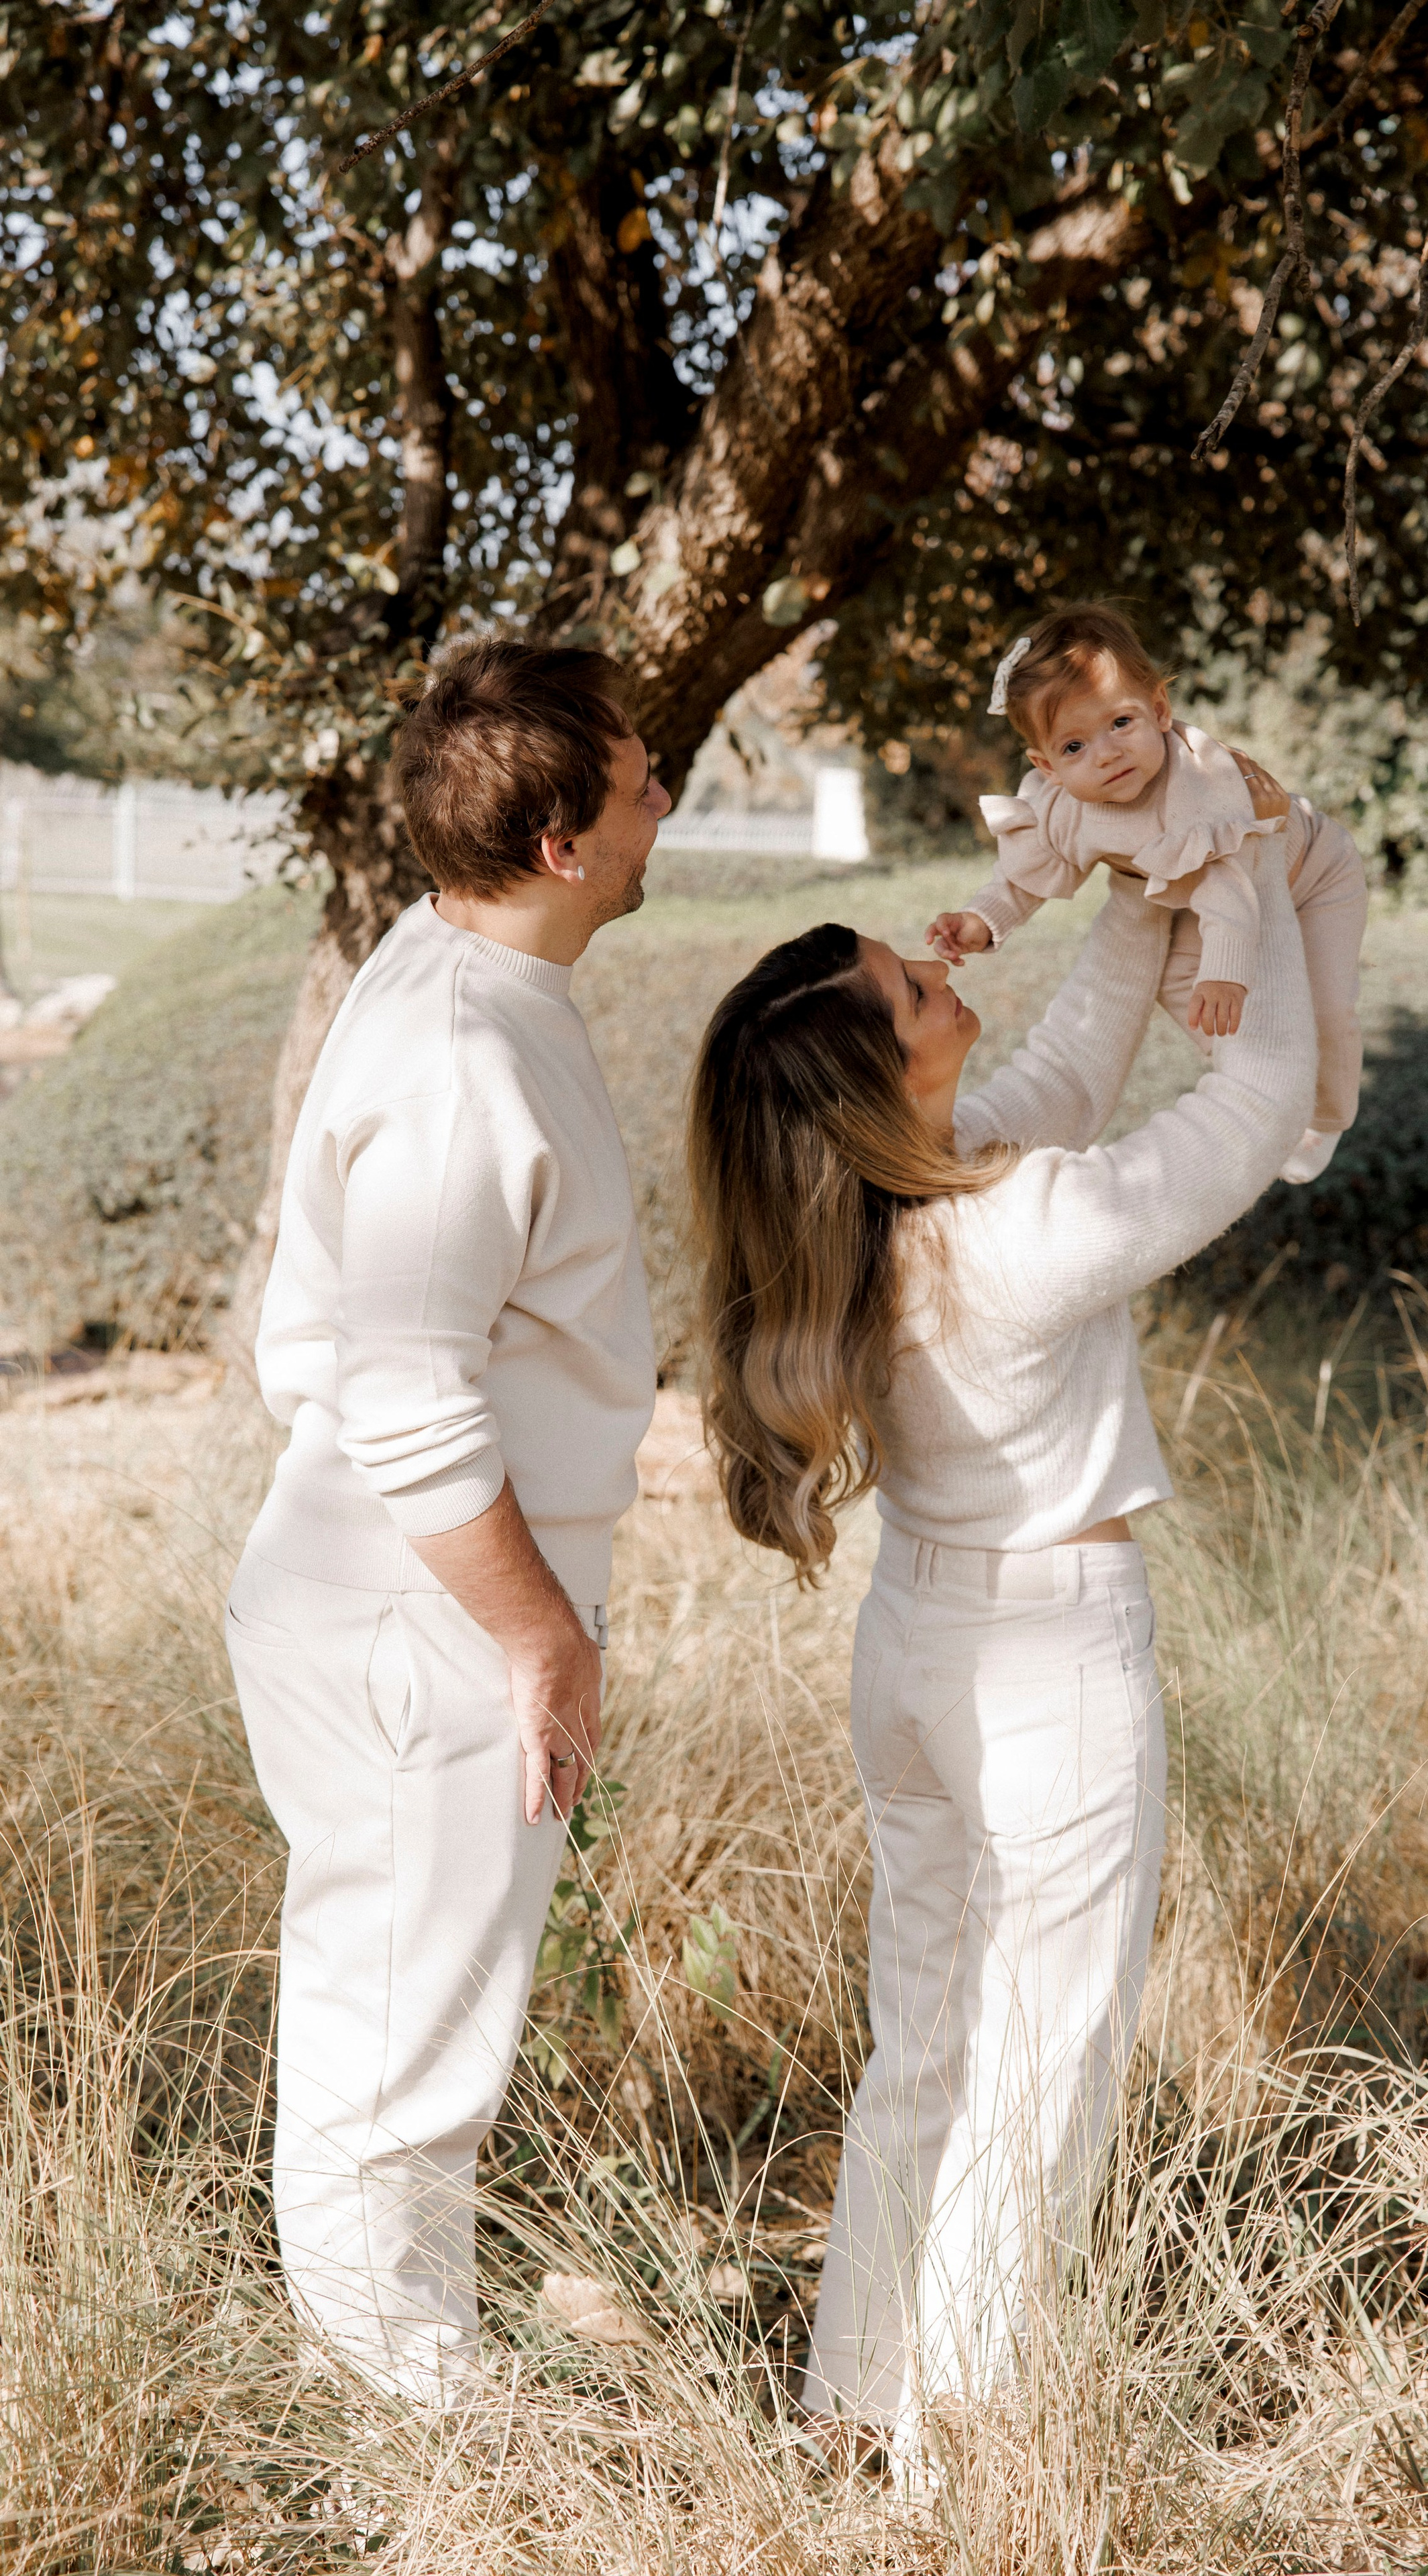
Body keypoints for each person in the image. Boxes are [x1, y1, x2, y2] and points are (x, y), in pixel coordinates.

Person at [687, 808, 1317, 2474]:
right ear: (886, 1076)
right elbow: (1247, 1114)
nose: (938, 957)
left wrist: (1142, 875)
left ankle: (850, 2412)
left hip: (917, 1654)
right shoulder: (1016, 1231)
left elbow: (1068, 1061)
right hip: (1047, 1659)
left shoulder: (887, 1207)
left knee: (935, 2042)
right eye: (910, 983)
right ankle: (966, 2442)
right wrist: (1245, 876)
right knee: (1041, 2061)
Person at [225, 637, 667, 2406]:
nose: (662, 799)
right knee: (402, 2060)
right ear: (561, 844)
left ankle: (402, 2402)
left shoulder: (449, 969)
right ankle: (417, 2451)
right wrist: (539, 1634)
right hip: (432, 1613)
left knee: (396, 2028)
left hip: (411, 1593)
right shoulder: (462, 1047)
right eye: (641, 778)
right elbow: (406, 1390)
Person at [926, 601, 1368, 1186]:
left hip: (1313, 877)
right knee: (1192, 994)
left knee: (1326, 1007)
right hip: (1198, 902)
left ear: (1160, 710)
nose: (1106, 753)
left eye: (1120, 724)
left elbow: (1230, 882)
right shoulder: (1063, 808)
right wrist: (982, 921)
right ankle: (1266, 1077)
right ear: (1047, 766)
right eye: (1074, 747)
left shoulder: (1199, 785)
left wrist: (1227, 967)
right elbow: (1024, 875)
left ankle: (1324, 1115)